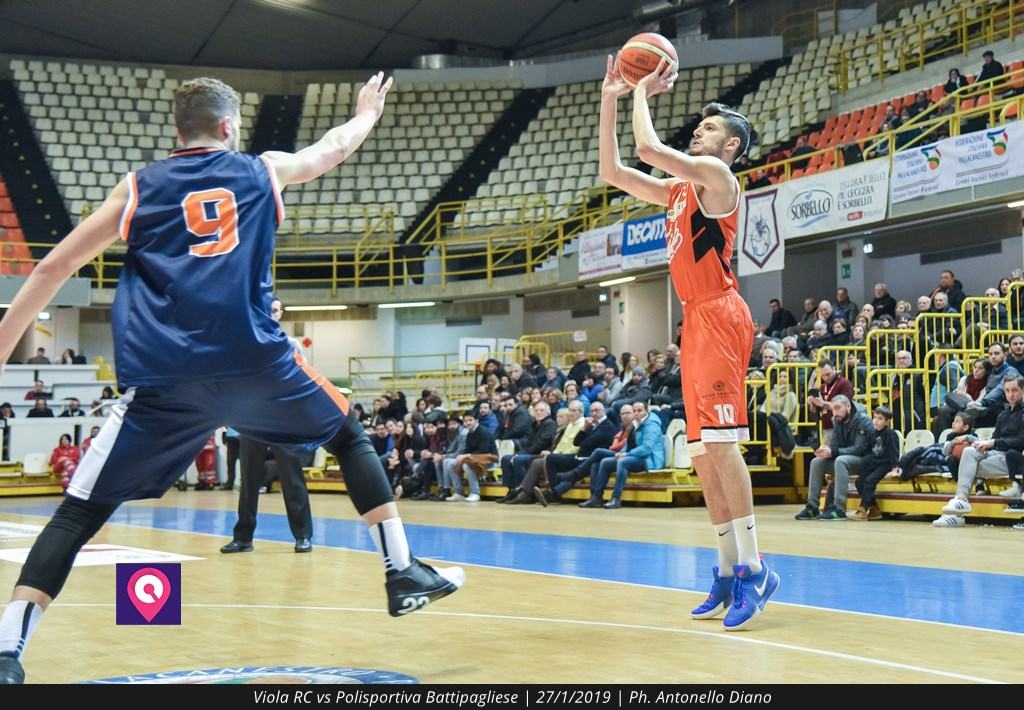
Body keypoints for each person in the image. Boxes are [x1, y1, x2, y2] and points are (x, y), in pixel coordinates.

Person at [0, 74, 464, 685]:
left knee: (77, 515)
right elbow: (332, 148)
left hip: (166, 379)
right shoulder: (261, 170)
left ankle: (7, 651)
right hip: (256, 364)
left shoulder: (138, 187)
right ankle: (400, 569)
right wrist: (366, 116)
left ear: (178, 131)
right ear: (227, 127)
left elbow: (53, 268)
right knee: (349, 437)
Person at [600, 54, 777, 631]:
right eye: (699, 126)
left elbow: (647, 148)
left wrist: (641, 89)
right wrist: (609, 98)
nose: (699, 131)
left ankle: (755, 569)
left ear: (731, 146)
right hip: (694, 322)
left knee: (723, 448)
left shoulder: (720, 180)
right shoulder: (680, 191)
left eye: (710, 127)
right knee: (703, 457)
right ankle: (726, 570)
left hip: (721, 313)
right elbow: (613, 170)